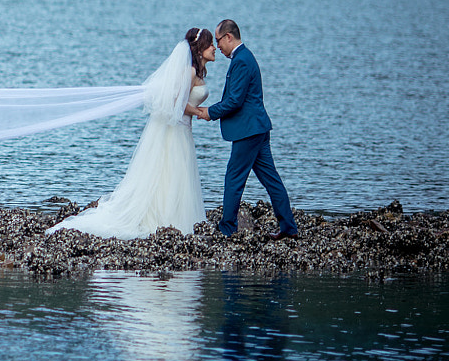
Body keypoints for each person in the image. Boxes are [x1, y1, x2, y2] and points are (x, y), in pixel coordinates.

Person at [48, 28, 216, 239]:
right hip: (177, 130)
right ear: (200, 49)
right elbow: (176, 102)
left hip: (184, 130)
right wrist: (201, 112)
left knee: (177, 173)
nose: (214, 48)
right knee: (172, 172)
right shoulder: (189, 72)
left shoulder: (198, 72)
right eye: (210, 44)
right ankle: (166, 219)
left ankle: (174, 217)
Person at [185, 20, 297, 240]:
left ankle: (227, 228)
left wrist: (210, 112)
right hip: (257, 128)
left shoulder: (242, 61)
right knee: (271, 179)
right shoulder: (242, 58)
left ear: (228, 36)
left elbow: (235, 100)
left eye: (218, 40)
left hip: (249, 130)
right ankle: (289, 229)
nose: (217, 46)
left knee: (234, 177)